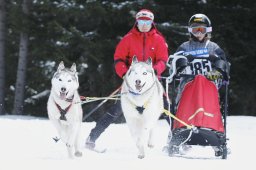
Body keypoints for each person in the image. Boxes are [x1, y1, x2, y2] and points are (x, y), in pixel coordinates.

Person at [85, 9, 169, 150]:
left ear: (151, 23)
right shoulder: (128, 39)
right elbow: (118, 59)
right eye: (141, 21)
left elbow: (163, 59)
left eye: (147, 22)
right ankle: (92, 138)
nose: (144, 25)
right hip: (131, 83)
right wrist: (124, 74)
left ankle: (180, 139)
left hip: (151, 82)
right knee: (116, 110)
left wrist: (155, 71)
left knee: (166, 108)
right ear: (137, 22)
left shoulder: (158, 39)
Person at [165, 13, 230, 153]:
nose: (199, 33)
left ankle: (216, 139)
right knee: (184, 102)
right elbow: (172, 65)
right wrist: (181, 62)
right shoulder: (184, 47)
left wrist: (216, 67)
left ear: (207, 31)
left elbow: (225, 67)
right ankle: (177, 135)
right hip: (188, 84)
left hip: (209, 84)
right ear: (190, 31)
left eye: (202, 29)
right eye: (195, 29)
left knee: (207, 97)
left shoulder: (213, 47)